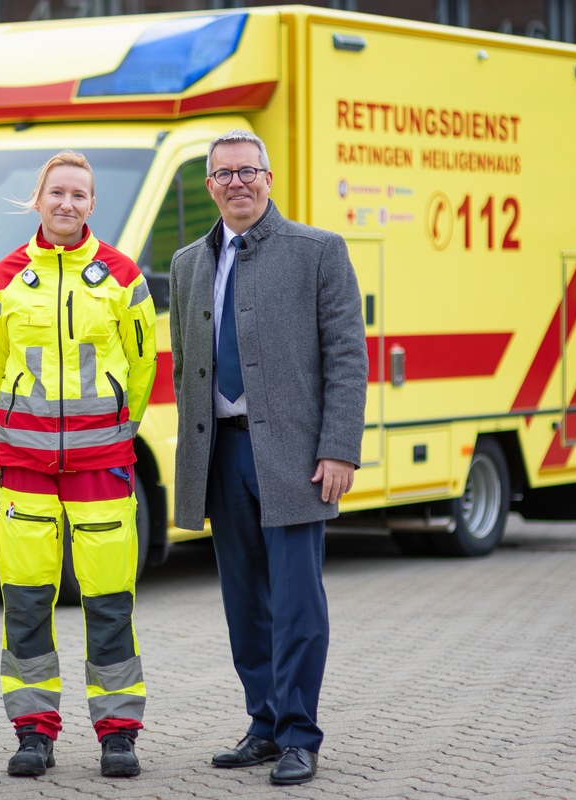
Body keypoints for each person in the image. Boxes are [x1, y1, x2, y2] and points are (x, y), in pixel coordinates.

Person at [168, 131, 367, 786]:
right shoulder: (188, 263)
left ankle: (299, 733)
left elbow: (346, 358)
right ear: (209, 187)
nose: (237, 183)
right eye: (224, 174)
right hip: (222, 452)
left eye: (248, 171)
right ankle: (263, 722)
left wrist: (339, 448)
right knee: (242, 601)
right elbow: (187, 368)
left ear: (269, 178)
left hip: (294, 457)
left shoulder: (319, 252)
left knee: (296, 600)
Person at [0, 150, 157, 778]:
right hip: (25, 462)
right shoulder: (4, 278)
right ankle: (33, 731)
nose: (67, 204)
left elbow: (143, 368)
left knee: (109, 600)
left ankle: (118, 733)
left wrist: (114, 429)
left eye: (79, 194)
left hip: (100, 463)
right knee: (26, 601)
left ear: (91, 203)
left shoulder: (121, 275)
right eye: (57, 192)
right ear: (39, 198)